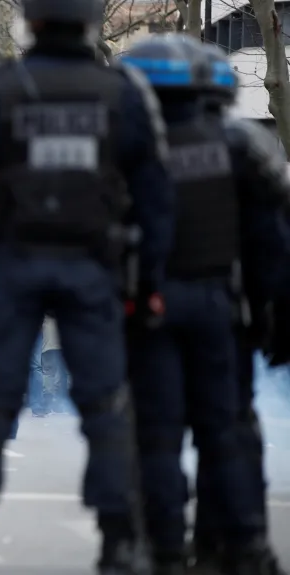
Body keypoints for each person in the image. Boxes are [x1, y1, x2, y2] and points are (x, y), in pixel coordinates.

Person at [0, 0, 175, 572]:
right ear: (92, 24)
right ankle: (120, 542)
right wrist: (145, 284)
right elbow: (157, 202)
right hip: (94, 268)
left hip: (15, 265)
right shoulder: (126, 94)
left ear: (28, 22)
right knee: (106, 409)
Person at [120, 36, 289, 574]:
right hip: (220, 308)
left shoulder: (124, 154)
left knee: (157, 435)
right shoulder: (239, 146)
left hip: (150, 310)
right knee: (228, 430)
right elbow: (270, 245)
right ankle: (242, 546)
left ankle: (164, 549)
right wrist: (270, 315)